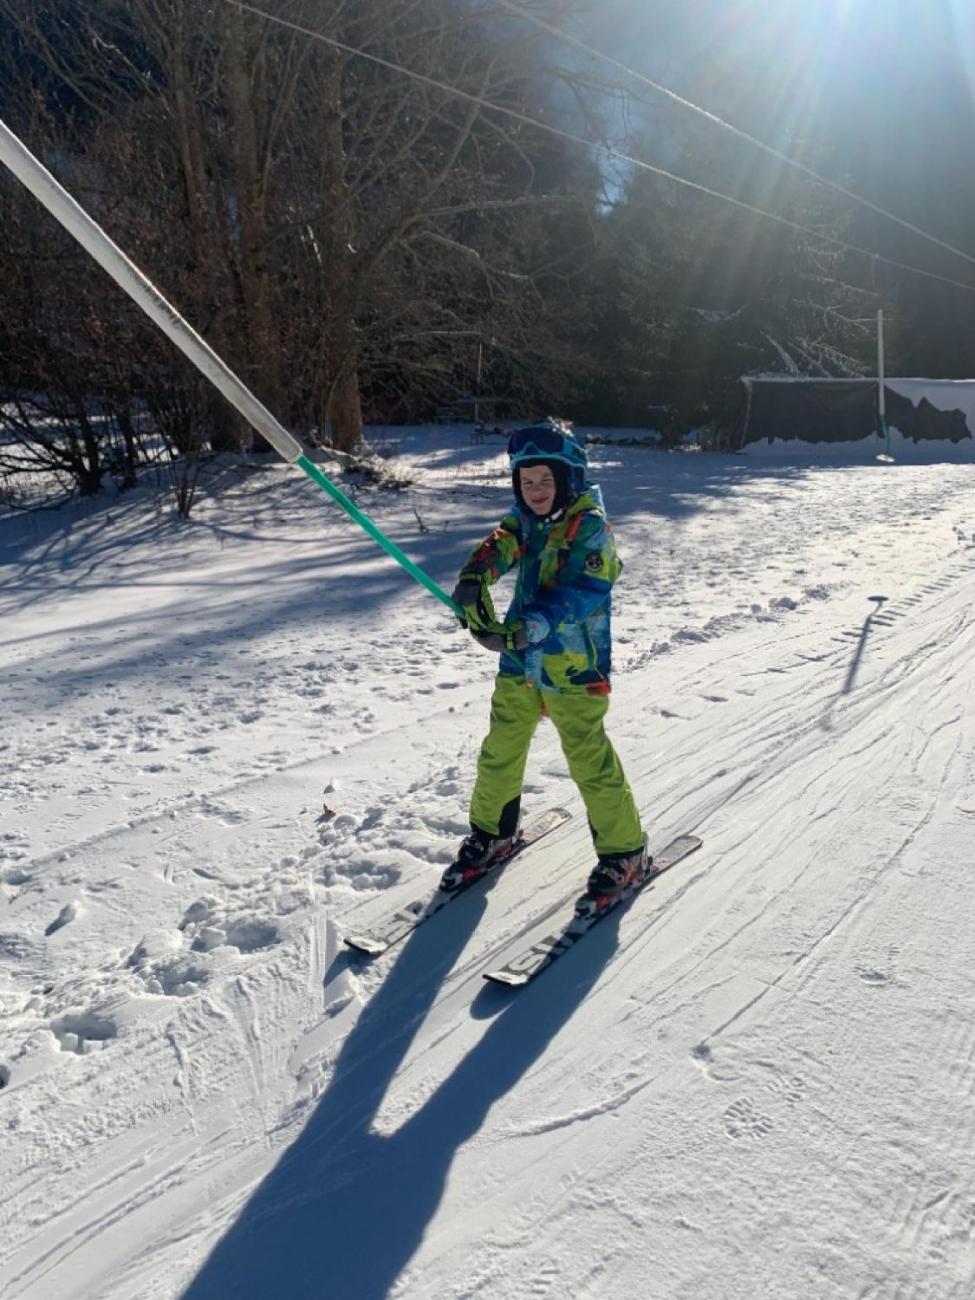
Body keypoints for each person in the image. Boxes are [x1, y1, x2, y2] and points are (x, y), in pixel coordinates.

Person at [444, 417, 646, 914]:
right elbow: (501, 542)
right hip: (519, 659)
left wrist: (533, 624)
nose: (534, 491)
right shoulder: (526, 519)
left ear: (568, 479)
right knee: (501, 747)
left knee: (587, 758)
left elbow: (586, 590)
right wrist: (476, 576)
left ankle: (625, 852)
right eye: (525, 481)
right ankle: (492, 833)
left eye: (544, 480)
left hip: (573, 666)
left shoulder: (591, 527)